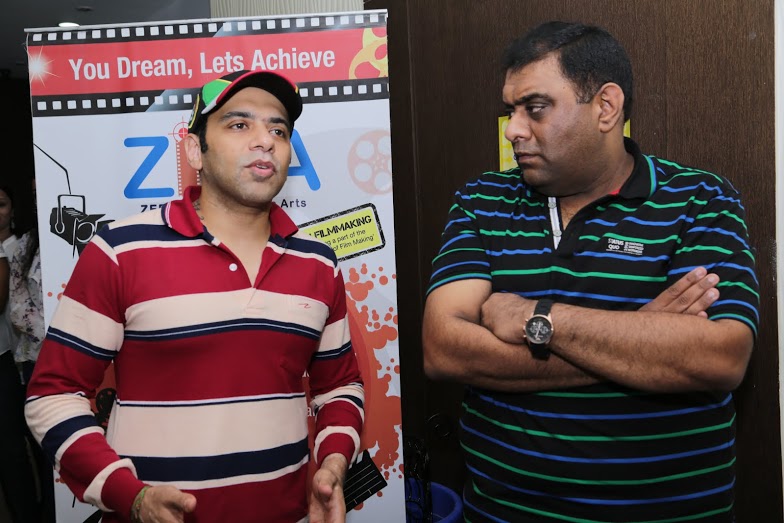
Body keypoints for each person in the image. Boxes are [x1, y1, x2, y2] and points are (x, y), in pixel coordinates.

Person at [422, 21, 759, 523]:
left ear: (606, 107)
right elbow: (443, 349)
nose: (513, 129)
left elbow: (720, 357)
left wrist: (537, 318)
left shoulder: (700, 200)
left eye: (535, 107)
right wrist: (641, 338)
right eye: (511, 111)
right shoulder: (482, 201)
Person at [25, 70, 365, 523]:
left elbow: (339, 386)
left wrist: (335, 461)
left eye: (279, 130)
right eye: (239, 124)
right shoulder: (121, 251)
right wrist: (133, 497)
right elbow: (53, 394)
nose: (265, 141)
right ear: (193, 151)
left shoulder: (318, 261)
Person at [0, 185, 42, 523]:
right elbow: (16, 308)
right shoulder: (28, 245)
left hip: (24, 358)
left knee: (39, 444)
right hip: (23, 360)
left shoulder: (24, 246)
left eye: (1, 204)